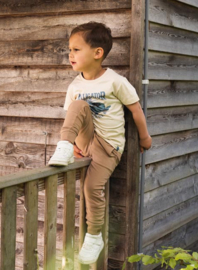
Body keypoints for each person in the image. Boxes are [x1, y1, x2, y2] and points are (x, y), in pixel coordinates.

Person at [48, 22, 152, 264]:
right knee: (78, 106)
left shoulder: (115, 81)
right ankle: (63, 147)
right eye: (69, 49)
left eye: (76, 49)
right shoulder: (75, 86)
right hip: (86, 141)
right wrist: (72, 142)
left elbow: (136, 110)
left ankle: (94, 237)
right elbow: (73, 117)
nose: (70, 55)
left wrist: (145, 137)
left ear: (98, 53)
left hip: (108, 147)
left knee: (91, 188)